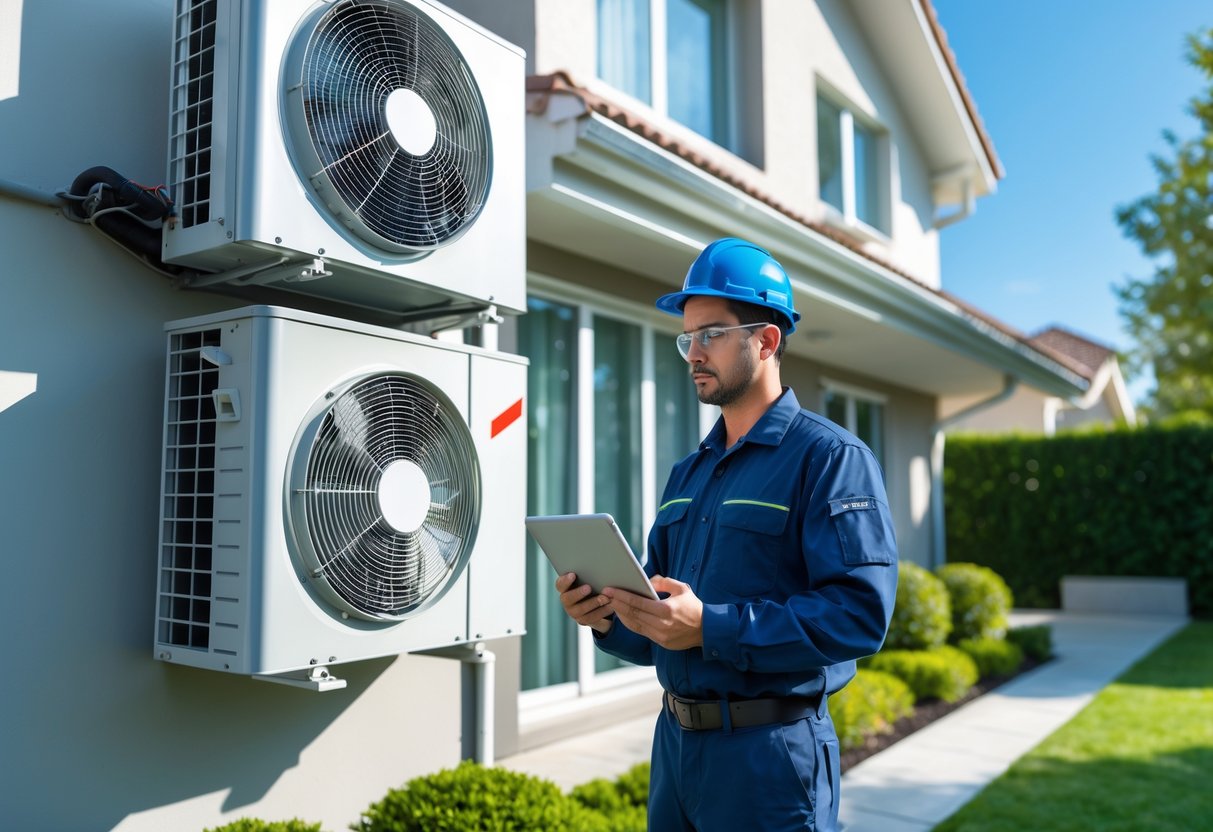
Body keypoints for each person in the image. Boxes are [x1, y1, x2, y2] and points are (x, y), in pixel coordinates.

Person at [555, 237, 899, 831]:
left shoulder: (830, 459)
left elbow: (858, 616)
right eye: (687, 338)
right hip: (676, 754)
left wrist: (710, 626)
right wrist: (606, 616)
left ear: (765, 341)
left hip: (769, 760)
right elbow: (663, 624)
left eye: (710, 334)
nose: (693, 353)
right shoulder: (687, 474)